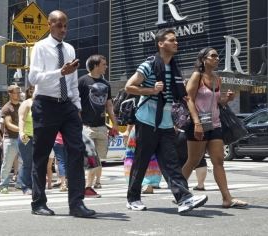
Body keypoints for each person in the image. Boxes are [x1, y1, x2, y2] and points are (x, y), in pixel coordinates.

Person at [124, 28, 208, 213]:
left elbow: (183, 97)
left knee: (170, 162)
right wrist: (151, 90)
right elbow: (129, 86)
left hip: (166, 122)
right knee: (141, 160)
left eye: (176, 40)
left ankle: (184, 198)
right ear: (161, 44)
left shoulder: (174, 67)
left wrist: (195, 120)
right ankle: (133, 198)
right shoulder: (149, 65)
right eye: (171, 40)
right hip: (147, 120)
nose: (176, 43)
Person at [28, 10, 95, 217]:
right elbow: (33, 78)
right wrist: (60, 72)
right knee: (41, 155)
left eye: (65, 25)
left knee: (76, 151)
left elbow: (73, 81)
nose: (63, 29)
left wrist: (77, 106)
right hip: (45, 105)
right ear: (49, 24)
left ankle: (77, 204)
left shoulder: (69, 49)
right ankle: (38, 202)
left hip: (67, 106)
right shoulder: (40, 47)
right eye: (58, 25)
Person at [183, 47, 248, 208]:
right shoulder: (197, 76)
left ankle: (227, 198)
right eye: (213, 56)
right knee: (193, 160)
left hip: (215, 124)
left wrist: (227, 99)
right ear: (203, 59)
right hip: (198, 124)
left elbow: (216, 103)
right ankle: (179, 191)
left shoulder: (217, 79)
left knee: (218, 161)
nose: (217, 58)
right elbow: (188, 99)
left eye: (217, 56)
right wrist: (197, 123)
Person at [78, 54, 119, 197]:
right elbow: (76, 104)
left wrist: (114, 124)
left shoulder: (106, 84)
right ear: (95, 66)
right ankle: (86, 187)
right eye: (104, 64)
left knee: (99, 159)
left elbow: (109, 105)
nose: (106, 66)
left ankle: (87, 185)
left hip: (101, 127)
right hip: (86, 127)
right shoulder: (82, 81)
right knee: (92, 158)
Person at [0, 84, 21, 194]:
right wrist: (22, 129)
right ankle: (4, 185)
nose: (19, 94)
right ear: (10, 94)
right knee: (7, 163)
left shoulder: (22, 105)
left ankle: (21, 183)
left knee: (24, 162)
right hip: (10, 138)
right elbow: (8, 124)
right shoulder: (6, 108)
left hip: (23, 138)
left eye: (19, 92)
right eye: (16, 92)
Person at [18, 86, 35, 195]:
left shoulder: (41, 103)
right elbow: (21, 119)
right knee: (27, 162)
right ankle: (25, 186)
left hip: (38, 137)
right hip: (26, 136)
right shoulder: (27, 103)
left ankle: (35, 186)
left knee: (37, 163)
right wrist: (22, 133)